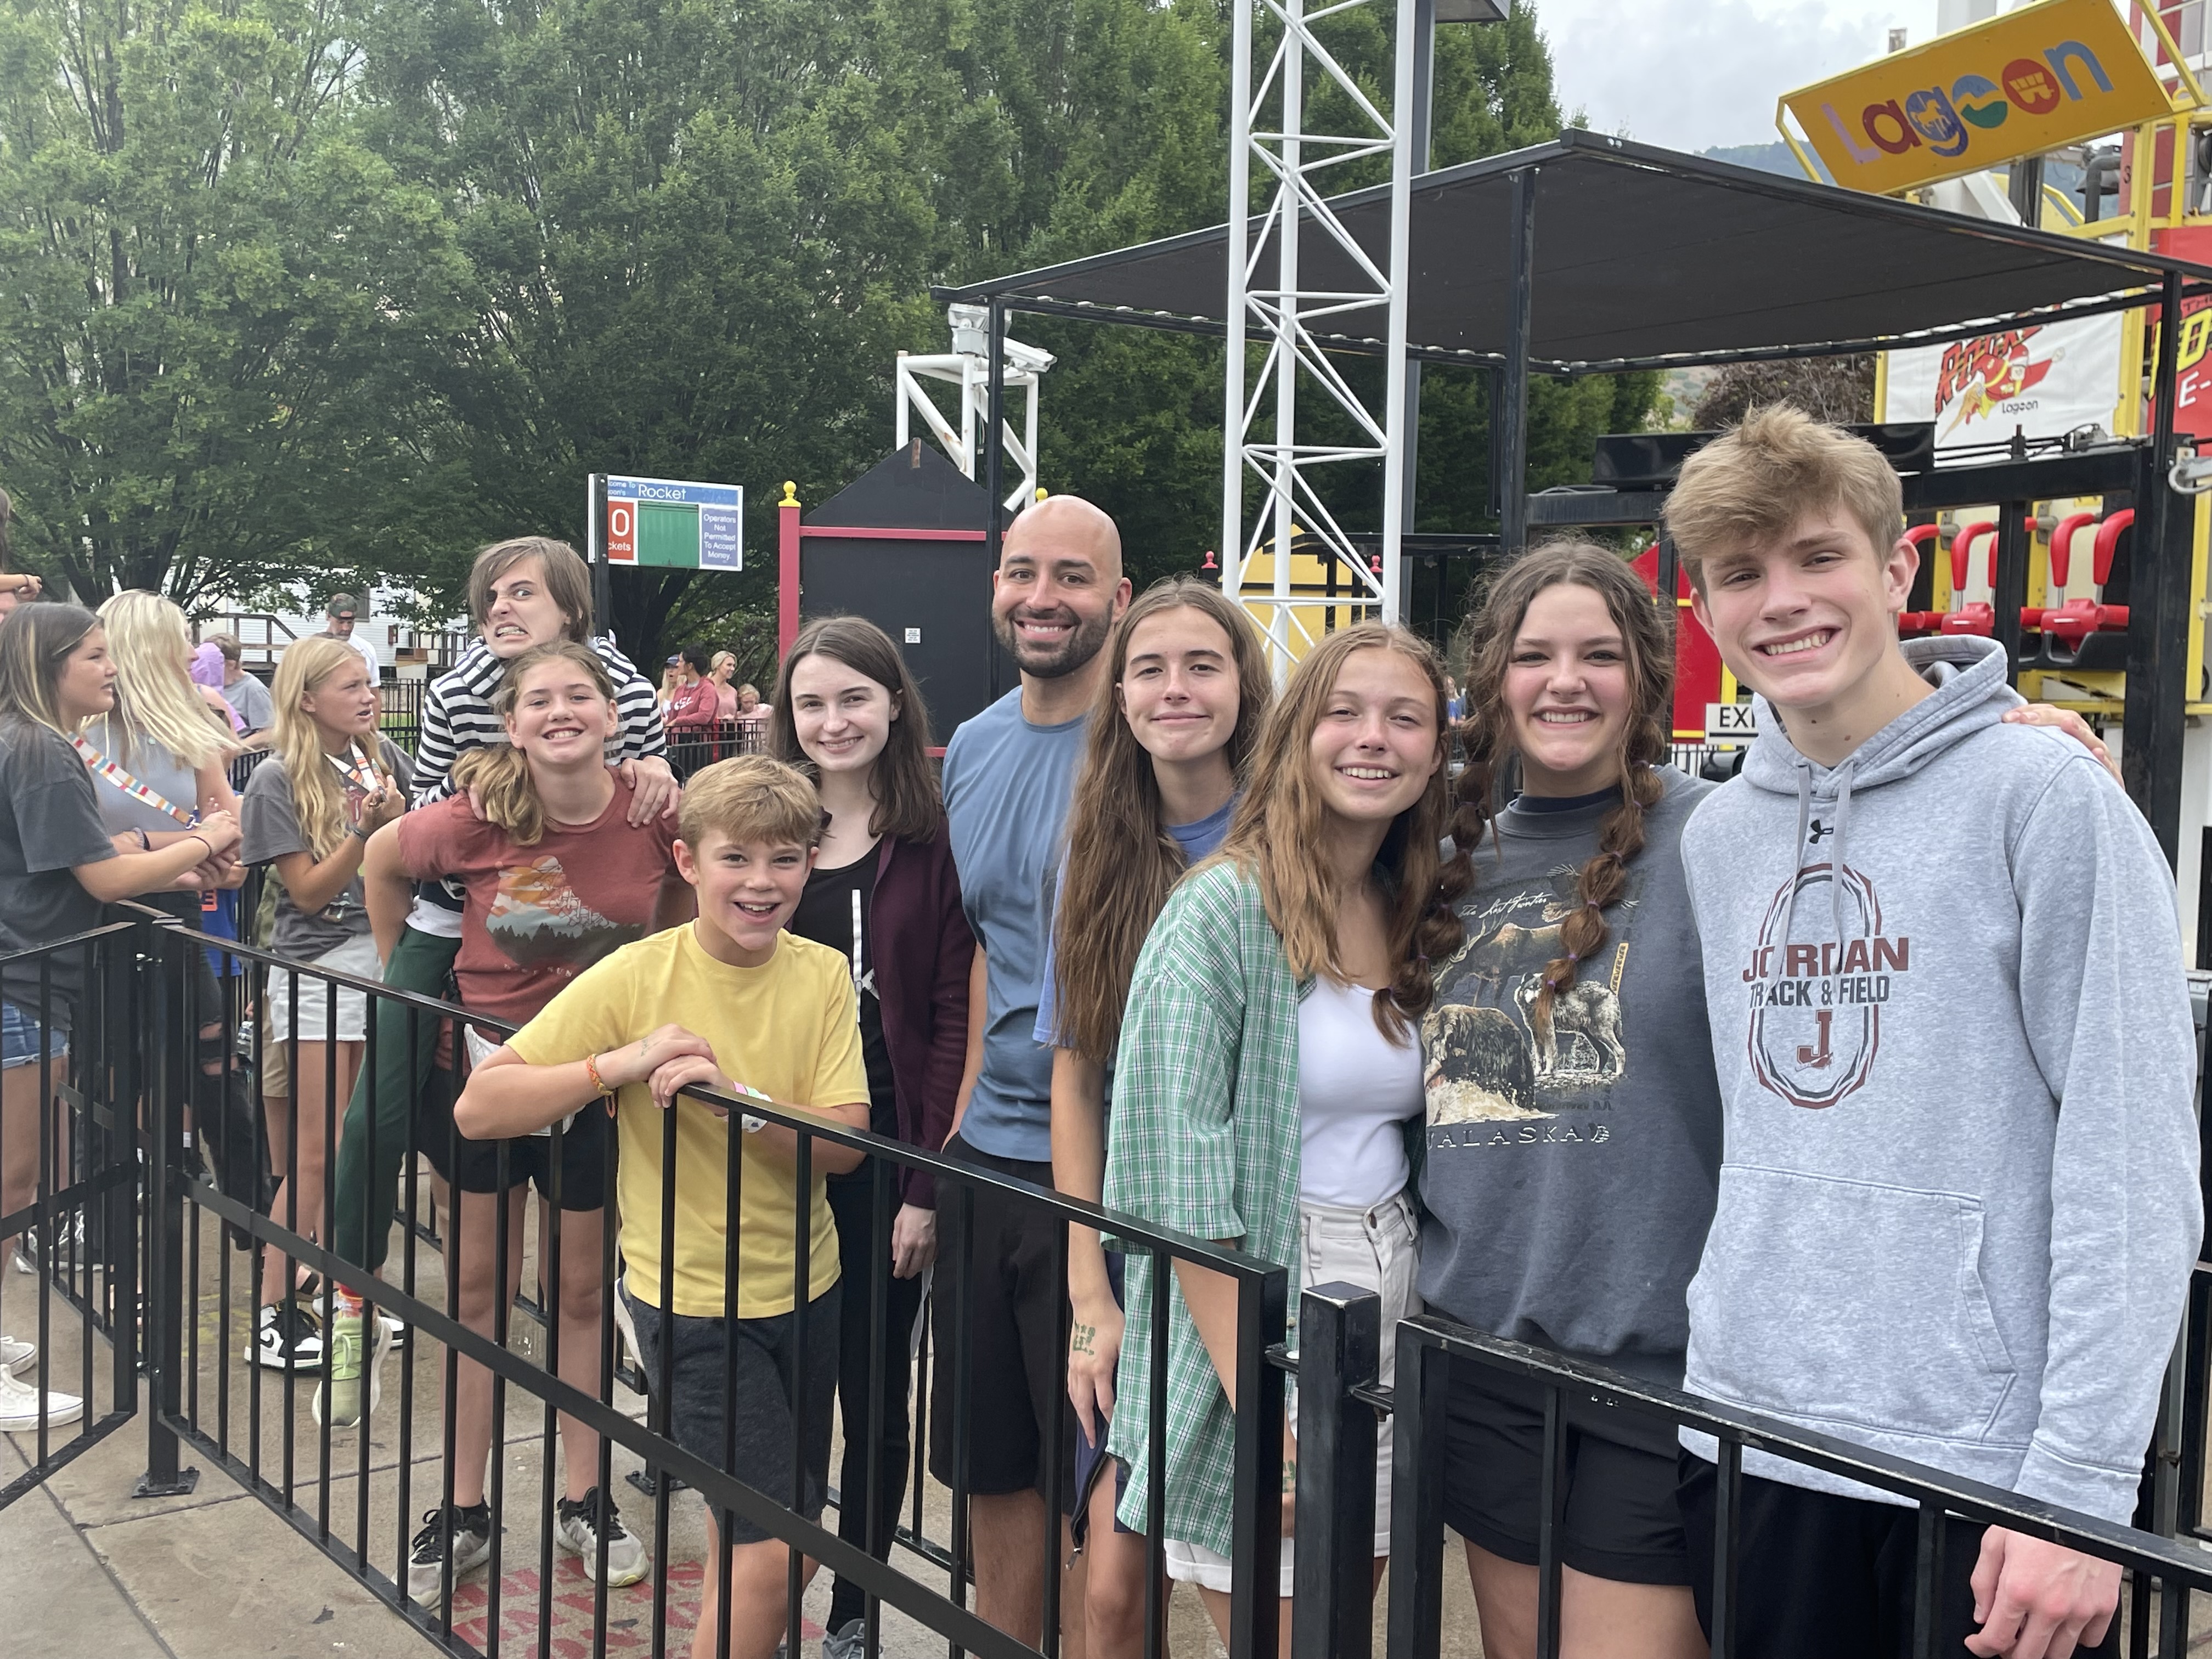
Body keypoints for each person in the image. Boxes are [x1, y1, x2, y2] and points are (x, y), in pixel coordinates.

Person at [1662, 406, 2200, 1658]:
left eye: (1818, 556)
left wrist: (2078, 1486)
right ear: (1706, 609)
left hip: (1985, 1475)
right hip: (1752, 1437)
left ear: (1898, 567)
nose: (1782, 601)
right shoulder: (1720, 836)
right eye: (1741, 573)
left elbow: (2132, 1160)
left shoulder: (2046, 797)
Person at [453, 755, 871, 1659]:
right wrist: (620, 1063)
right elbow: (480, 1106)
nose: (761, 882)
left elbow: (845, 1143)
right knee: (774, 1550)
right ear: (687, 860)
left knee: (776, 1539)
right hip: (693, 1303)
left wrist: (740, 1105)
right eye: (736, 858)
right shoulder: (638, 975)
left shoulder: (823, 972)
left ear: (811, 863)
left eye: (785, 859)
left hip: (808, 1287)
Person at [1103, 620, 1460, 1655]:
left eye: (1405, 717)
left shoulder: (1412, 907)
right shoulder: (1219, 912)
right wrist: (1272, 1405)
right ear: (1297, 733)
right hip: (1266, 1301)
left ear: (1436, 749)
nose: (1373, 737)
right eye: (1344, 712)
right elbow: (1179, 1191)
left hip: (1395, 1291)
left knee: (1344, 1632)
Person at [1420, 541, 1717, 1659]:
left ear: (1643, 674)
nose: (1564, 680)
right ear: (1493, 678)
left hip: (1655, 1362)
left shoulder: (1720, 835)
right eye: (1535, 654)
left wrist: (2015, 727)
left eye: (1597, 654)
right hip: (1484, 1348)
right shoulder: (1439, 863)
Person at [316, 536, 674, 1421]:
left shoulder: (625, 686)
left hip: (585, 932)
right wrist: (401, 958)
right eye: (489, 599)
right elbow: (417, 826)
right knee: (377, 1107)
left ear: (572, 610)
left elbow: (648, 777)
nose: (499, 610)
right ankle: (352, 1293)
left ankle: (628, 1309)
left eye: (521, 593)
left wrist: (659, 770)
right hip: (455, 905)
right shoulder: (455, 688)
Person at [359, 644, 684, 1594]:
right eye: (538, 700)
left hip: (598, 1086)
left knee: (581, 1293)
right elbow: (381, 861)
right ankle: (464, 1505)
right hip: (488, 1079)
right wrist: (403, 978)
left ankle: (585, 1496)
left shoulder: (653, 811)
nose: (559, 711)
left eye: (578, 694)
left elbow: (679, 906)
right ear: (512, 724)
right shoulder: (478, 815)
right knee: (477, 1292)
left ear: (613, 713)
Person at [1043, 578, 1271, 1659]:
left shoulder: (1288, 837)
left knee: (1250, 1577)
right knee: (1114, 1589)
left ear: (1244, 685)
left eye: (1201, 664)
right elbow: (1076, 1075)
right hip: (1139, 1257)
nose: (1175, 688)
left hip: (1247, 1238)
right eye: (1149, 668)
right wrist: (1089, 1291)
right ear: (1121, 696)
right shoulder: (1098, 853)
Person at [933, 493, 1130, 1647]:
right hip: (989, 1162)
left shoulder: (1149, 743)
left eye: (1071, 576)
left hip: (1110, 1171)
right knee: (993, 1469)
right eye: (1022, 573)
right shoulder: (973, 746)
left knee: (1108, 1499)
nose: (1041, 597)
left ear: (1117, 596)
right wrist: (958, 1130)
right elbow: (985, 947)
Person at [768, 616, 975, 1659]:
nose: (833, 720)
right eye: (812, 702)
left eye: (854, 697)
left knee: (875, 1393)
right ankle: (766, 1594)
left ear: (895, 702)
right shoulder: (767, 824)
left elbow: (951, 1015)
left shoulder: (931, 839)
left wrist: (924, 1185)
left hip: (885, 1151)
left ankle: (853, 1608)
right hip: (773, 1153)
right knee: (782, 1394)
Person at [0, 603, 244, 1430]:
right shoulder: (42, 747)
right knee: (13, 1180)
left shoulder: (32, 741)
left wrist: (163, 864)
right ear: (50, 665)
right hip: (24, 984)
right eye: (94, 656)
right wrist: (204, 839)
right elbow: (101, 880)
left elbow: (77, 867)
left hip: (31, 977)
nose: (112, 669)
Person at [239, 636, 413, 1369]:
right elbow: (307, 894)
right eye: (351, 686)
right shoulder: (276, 778)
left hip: (381, 957)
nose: (369, 696)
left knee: (362, 1143)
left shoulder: (383, 757)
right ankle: (273, 1312)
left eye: (369, 683)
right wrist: (367, 833)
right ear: (307, 699)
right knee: (315, 1150)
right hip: (316, 969)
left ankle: (352, 1295)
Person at [84, 594, 248, 1188]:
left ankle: (251, 1211)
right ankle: (100, 1204)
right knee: (109, 1068)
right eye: (181, 637)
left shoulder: (190, 731)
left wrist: (168, 850)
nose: (192, 652)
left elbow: (234, 843)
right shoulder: (74, 734)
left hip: (178, 914)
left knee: (215, 1057)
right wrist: (186, 846)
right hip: (94, 919)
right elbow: (81, 852)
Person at [206, 634, 275, 743]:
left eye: (210, 662)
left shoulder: (254, 689)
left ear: (230, 664)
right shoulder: (205, 685)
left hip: (237, 751)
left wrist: (237, 748)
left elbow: (268, 733)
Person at [319, 594, 381, 684]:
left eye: (350, 622)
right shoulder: (313, 647)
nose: (346, 628)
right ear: (329, 616)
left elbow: (374, 690)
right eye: (340, 622)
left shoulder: (366, 649)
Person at [665, 646, 720, 731]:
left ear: (690, 666)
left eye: (681, 661)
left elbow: (704, 717)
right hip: (675, 739)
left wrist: (677, 721)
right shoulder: (680, 690)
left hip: (697, 739)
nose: (677, 664)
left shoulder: (707, 689)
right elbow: (671, 719)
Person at [710, 651, 741, 723]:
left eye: (734, 666)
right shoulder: (705, 687)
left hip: (729, 729)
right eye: (729, 665)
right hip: (710, 729)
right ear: (718, 665)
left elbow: (736, 717)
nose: (733, 669)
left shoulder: (733, 691)